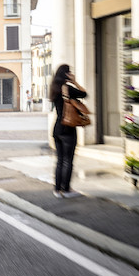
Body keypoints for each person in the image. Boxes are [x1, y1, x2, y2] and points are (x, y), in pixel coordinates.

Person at [50, 64, 87, 199]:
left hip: (57, 128)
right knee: (68, 161)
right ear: (66, 74)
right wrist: (74, 81)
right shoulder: (67, 88)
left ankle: (57, 189)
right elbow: (84, 94)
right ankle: (66, 190)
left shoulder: (54, 89)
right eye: (69, 73)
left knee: (59, 161)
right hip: (68, 128)